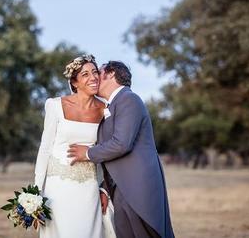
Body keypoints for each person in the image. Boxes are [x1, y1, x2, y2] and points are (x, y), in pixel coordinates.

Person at [68, 61, 175, 238]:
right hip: (119, 189)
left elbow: (121, 144)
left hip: (138, 187)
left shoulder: (129, 99)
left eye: (98, 73)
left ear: (110, 74)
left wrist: (87, 153)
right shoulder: (113, 105)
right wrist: (105, 188)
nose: (94, 78)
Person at [34, 54, 107, 238]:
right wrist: (36, 192)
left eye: (95, 72)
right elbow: (45, 149)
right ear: (74, 82)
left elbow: (109, 150)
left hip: (89, 188)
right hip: (56, 190)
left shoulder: (106, 109)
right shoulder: (55, 105)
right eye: (85, 74)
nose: (93, 77)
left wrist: (104, 188)